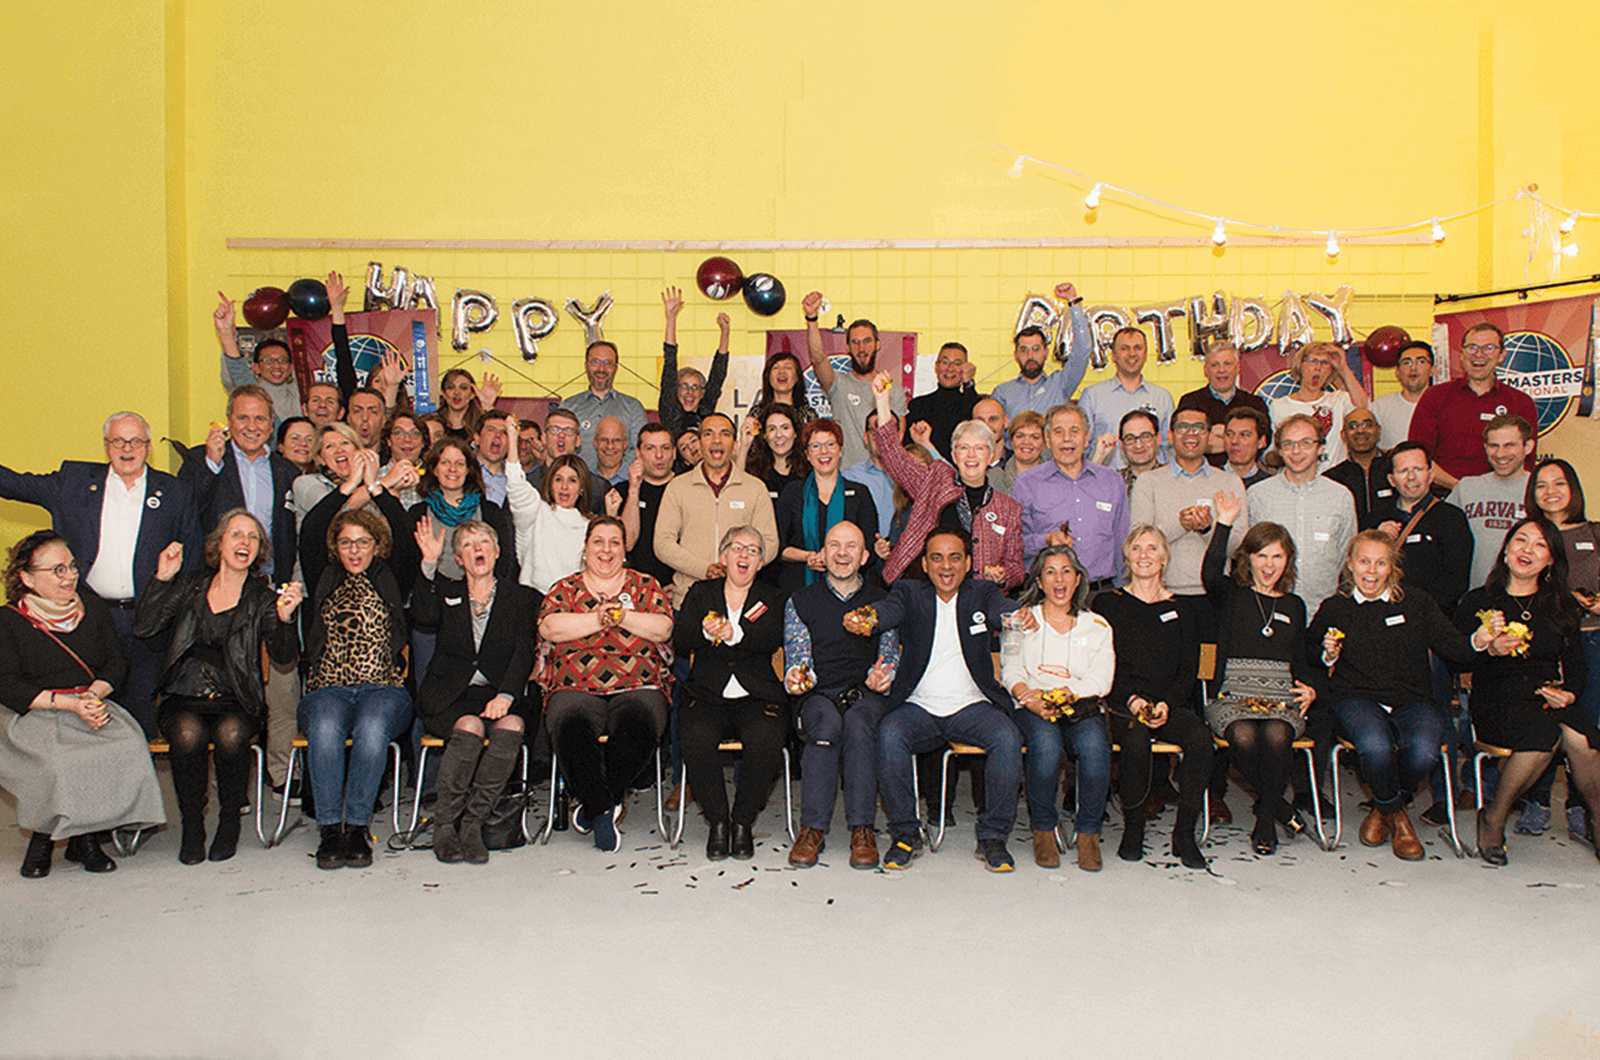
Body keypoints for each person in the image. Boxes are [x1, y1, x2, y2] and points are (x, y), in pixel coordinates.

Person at [0, 411, 203, 736]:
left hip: (147, 623)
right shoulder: (74, 481)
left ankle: (137, 785)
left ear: (148, 446)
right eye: (118, 440)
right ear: (106, 446)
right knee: (88, 720)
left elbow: (192, 562)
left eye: (135, 440)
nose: (127, 448)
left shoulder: (175, 492)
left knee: (140, 722)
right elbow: (14, 484)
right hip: (86, 619)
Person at [1310, 531, 1500, 860]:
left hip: (1411, 699)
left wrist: (1479, 640)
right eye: (1364, 561)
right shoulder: (1334, 608)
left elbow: (1454, 648)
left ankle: (1382, 810)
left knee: (1426, 750)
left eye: (1380, 563)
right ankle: (1400, 819)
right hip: (1355, 697)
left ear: (1393, 567)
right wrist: (1327, 655)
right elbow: (1309, 654)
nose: (1371, 571)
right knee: (1375, 747)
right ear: (1350, 564)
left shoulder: (1417, 602)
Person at [852, 528, 1029, 872]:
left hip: (972, 706)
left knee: (1008, 737)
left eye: (954, 558)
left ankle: (993, 836)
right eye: (936, 558)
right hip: (919, 705)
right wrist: (868, 619)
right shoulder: (908, 591)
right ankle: (905, 834)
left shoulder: (983, 591)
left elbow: (1001, 609)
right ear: (924, 563)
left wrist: (1013, 616)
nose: (945, 566)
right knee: (889, 734)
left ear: (967, 563)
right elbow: (887, 611)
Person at [134, 511, 303, 864]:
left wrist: (287, 619)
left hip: (236, 697)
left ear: (259, 550)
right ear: (219, 543)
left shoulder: (263, 598)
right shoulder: (190, 584)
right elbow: (146, 627)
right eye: (236, 534)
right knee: (187, 735)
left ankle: (229, 821)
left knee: (230, 735)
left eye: (252, 537)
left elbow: (284, 657)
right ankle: (193, 825)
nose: (244, 542)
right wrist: (162, 578)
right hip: (185, 692)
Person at [0, 531, 165, 878]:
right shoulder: (8, 620)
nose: (70, 575)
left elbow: (116, 664)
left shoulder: (93, 608)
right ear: (27, 578)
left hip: (90, 701)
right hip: (37, 710)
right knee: (59, 760)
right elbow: (8, 684)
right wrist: (68, 704)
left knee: (126, 745)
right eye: (57, 570)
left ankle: (85, 838)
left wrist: (94, 694)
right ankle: (47, 840)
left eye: (72, 566)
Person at [1457, 517, 1600, 865]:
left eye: (1540, 545)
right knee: (1544, 733)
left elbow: (1577, 666)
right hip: (1496, 697)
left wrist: (1569, 694)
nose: (1528, 550)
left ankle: (1597, 819)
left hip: (1546, 694)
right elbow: (1454, 655)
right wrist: (1487, 649)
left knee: (1584, 736)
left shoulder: (1560, 603)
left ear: (1550, 560)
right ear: (1506, 549)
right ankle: (1494, 815)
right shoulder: (1478, 601)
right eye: (1521, 540)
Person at [538, 517, 674, 852]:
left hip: (637, 685)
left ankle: (592, 806)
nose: (606, 549)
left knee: (638, 725)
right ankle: (602, 809)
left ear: (625, 550)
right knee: (571, 726)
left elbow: (663, 628)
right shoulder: (565, 589)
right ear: (585, 549)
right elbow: (550, 628)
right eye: (598, 541)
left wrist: (622, 616)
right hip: (575, 686)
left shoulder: (645, 585)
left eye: (615, 542)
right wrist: (597, 618)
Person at [410, 516, 536, 865]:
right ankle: (445, 826)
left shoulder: (523, 598)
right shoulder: (446, 591)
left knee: (511, 725)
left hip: (500, 691)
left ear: (497, 552)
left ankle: (472, 825)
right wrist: (429, 564)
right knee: (470, 726)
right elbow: (421, 616)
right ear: (459, 558)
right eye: (467, 544)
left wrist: (507, 696)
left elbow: (524, 652)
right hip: (450, 694)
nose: (476, 548)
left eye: (483, 542)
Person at [1202, 495, 1322, 854]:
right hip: (1233, 693)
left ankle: (1266, 818)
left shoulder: (1294, 605)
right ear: (1248, 558)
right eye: (1261, 555)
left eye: (1277, 556)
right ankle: (1278, 808)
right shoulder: (1233, 596)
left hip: (1281, 695)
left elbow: (1299, 657)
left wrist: (1311, 689)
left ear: (1288, 561)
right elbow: (1209, 572)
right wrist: (1223, 523)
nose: (1269, 565)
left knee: (1277, 734)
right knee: (1242, 737)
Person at [296, 509, 414, 870]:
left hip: (382, 687)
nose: (354, 550)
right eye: (346, 542)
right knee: (327, 727)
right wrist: (350, 486)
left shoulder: (391, 576)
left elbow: (406, 540)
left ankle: (358, 827)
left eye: (363, 542)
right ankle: (331, 828)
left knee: (371, 728)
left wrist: (381, 491)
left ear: (377, 546)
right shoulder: (324, 576)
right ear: (335, 547)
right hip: (327, 688)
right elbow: (313, 525)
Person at [1095, 526, 1213, 869]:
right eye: (1137, 549)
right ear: (1126, 557)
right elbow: (1103, 663)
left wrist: (1166, 704)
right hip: (1123, 701)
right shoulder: (1107, 603)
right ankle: (1134, 829)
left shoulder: (1184, 609)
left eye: (1152, 549)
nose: (1144, 555)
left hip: (1168, 702)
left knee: (1200, 739)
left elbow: (1188, 668)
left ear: (1164, 558)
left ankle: (1185, 834)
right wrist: (1132, 700)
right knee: (1135, 741)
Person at [785, 520, 900, 869]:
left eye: (851, 546)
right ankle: (813, 828)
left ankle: (862, 829)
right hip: (819, 692)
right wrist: (798, 677)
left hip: (866, 692)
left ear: (865, 556)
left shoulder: (883, 601)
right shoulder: (801, 601)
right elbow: (799, 656)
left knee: (860, 724)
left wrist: (885, 675)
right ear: (822, 554)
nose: (842, 553)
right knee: (824, 722)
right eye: (834, 545)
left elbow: (889, 654)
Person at [673, 528, 788, 860]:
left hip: (757, 693)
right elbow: (681, 640)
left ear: (761, 562)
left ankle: (742, 822)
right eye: (737, 548)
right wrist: (703, 631)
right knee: (694, 738)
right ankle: (718, 822)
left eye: (752, 550)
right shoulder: (701, 592)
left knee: (766, 739)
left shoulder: (772, 597)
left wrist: (734, 633)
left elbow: (770, 638)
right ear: (723, 557)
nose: (744, 555)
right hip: (707, 691)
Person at [1001, 544, 1114, 870]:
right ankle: (1043, 829)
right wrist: (1030, 698)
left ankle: (1089, 833)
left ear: (1078, 579)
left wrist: (1067, 693)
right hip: (1033, 705)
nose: (1059, 579)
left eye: (1066, 571)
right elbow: (1011, 670)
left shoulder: (1097, 626)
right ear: (1039, 579)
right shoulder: (1022, 620)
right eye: (1050, 572)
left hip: (1079, 705)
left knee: (1095, 747)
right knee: (1046, 746)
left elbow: (1101, 679)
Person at [871, 374, 1025, 590]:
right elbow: (894, 457)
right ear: (954, 455)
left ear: (991, 456)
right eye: (964, 448)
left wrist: (1003, 576)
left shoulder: (1008, 509)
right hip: (926, 593)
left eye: (979, 448)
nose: (971, 455)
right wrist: (882, 401)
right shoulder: (934, 482)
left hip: (978, 601)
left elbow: (1017, 568)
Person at [1515, 458, 1600, 838]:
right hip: (1546, 642)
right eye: (1540, 485)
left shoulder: (1595, 532)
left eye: (1559, 483)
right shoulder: (1531, 535)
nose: (1549, 492)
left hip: (1592, 639)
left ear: (1574, 488)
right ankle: (1538, 801)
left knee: (1585, 726)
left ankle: (1580, 805)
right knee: (1547, 721)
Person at [653, 414, 779, 608]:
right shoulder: (678, 487)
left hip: (741, 600)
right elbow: (662, 543)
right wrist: (705, 569)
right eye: (708, 434)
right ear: (701, 444)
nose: (716, 440)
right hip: (688, 599)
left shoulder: (755, 488)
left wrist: (737, 569)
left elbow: (769, 543)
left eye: (725, 434)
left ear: (735, 445)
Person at [1130, 406, 1248, 599]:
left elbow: (1240, 549)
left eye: (1199, 428)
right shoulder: (1148, 481)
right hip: (1161, 593)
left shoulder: (1230, 482)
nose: (1191, 434)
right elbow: (1136, 542)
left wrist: (1208, 530)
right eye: (1183, 427)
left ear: (1209, 436)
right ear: (1171, 435)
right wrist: (1181, 525)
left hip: (1216, 595)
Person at [1246, 414, 1358, 613]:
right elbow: (1248, 555)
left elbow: (1346, 554)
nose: (1296, 451)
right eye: (1288, 444)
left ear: (1320, 448)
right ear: (1279, 450)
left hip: (1322, 610)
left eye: (1306, 443)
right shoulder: (1257, 495)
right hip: (1269, 611)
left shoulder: (1341, 496)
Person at [1409, 322, 1539, 489]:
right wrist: (1461, 489)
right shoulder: (1435, 396)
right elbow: (1418, 455)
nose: (1479, 354)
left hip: (1500, 496)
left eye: (1489, 348)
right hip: (1443, 495)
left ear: (1502, 355)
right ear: (1462, 354)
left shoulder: (1520, 402)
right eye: (1472, 347)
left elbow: (1526, 461)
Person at [1014, 402, 1130, 587]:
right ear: (1048, 439)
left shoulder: (1112, 481)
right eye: (1058, 431)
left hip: (1100, 592)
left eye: (1075, 431)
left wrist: (1122, 592)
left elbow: (1122, 541)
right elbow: (1015, 544)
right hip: (1048, 594)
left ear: (1087, 438)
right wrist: (1046, 540)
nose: (1067, 438)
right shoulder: (1027, 483)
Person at [774, 420, 881, 594]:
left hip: (850, 590)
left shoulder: (859, 493)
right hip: (798, 586)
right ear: (807, 454)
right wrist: (808, 556)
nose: (824, 451)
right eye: (815, 446)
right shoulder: (792, 492)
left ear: (840, 451)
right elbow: (777, 547)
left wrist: (838, 558)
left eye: (830, 444)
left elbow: (869, 549)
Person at [803, 292, 904, 468]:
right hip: (846, 478)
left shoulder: (893, 390)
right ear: (847, 347)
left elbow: (898, 438)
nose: (861, 347)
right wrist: (811, 318)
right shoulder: (838, 384)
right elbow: (818, 358)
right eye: (855, 342)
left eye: (867, 341)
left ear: (878, 344)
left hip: (884, 479)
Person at [1450, 414, 1534, 589]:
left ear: (1528, 447)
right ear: (1485, 448)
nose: (1500, 454)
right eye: (1494, 446)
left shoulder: (1540, 491)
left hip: (1525, 600)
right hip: (1472, 597)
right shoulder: (1466, 487)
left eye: (1509, 445)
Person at [506, 449, 604, 598]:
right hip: (531, 602)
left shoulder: (591, 525)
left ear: (582, 487)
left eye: (572, 480)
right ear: (550, 483)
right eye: (558, 479)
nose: (564, 486)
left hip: (571, 606)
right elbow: (516, 485)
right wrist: (512, 437)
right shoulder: (536, 511)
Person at [1079, 327, 1176, 471]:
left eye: (1138, 348)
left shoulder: (1162, 397)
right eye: (1125, 348)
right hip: (1106, 484)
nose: (1132, 354)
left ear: (1145, 353)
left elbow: (1170, 449)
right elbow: (1081, 447)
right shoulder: (1092, 396)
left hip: (1152, 484)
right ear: (1114, 355)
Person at [990, 283, 1093, 419]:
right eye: (1024, 350)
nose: (1030, 356)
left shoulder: (1061, 384)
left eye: (1036, 349)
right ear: (1015, 355)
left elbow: (1083, 350)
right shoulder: (1002, 393)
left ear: (1046, 352)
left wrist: (1073, 302)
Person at [1267, 342, 1368, 469]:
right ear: (1300, 366)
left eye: (1325, 363)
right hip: (1295, 480)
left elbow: (1363, 408)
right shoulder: (1279, 406)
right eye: (1312, 361)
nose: (1318, 367)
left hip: (1332, 480)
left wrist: (1343, 368)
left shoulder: (1338, 400)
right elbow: (1271, 452)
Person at [1175, 340, 1269, 465]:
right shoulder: (1190, 401)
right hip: (1201, 477)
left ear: (1237, 368)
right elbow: (1184, 443)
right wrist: (1241, 443)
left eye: (1227, 364)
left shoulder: (1255, 404)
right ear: (1205, 370)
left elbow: (1263, 442)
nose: (1221, 370)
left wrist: (1215, 440)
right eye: (1215, 365)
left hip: (1243, 477)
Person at [559, 340, 647, 471]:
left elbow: (640, 450)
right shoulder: (569, 406)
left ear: (616, 368)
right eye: (595, 362)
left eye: (608, 363)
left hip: (622, 486)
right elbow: (561, 451)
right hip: (577, 486)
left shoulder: (633, 407)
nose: (601, 369)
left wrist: (615, 479)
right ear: (586, 365)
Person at [215, 292, 301, 422]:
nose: (276, 365)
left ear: (290, 367)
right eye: (268, 360)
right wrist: (226, 333)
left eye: (282, 360)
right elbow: (236, 370)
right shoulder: (247, 391)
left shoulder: (301, 395)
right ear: (256, 367)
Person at [659, 286, 730, 437]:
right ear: (676, 389)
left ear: (703, 393)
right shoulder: (670, 409)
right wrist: (671, 317)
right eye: (684, 386)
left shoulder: (705, 411)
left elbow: (718, 375)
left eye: (695, 387)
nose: (689, 392)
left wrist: (725, 333)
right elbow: (670, 361)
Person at [617, 422, 680, 591]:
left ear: (674, 453)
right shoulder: (622, 492)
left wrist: (682, 585)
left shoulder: (688, 488)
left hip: (678, 590)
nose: (659, 455)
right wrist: (634, 489)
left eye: (665, 448)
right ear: (638, 453)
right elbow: (627, 543)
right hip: (633, 590)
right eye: (650, 448)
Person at [906, 342, 980, 460]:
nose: (950, 369)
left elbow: (970, 417)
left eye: (957, 364)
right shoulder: (918, 405)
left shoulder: (971, 402)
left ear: (966, 369)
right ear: (936, 366)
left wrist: (968, 383)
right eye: (945, 362)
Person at [1323, 408, 1392, 526]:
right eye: (1353, 426)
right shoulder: (1331, 479)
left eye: (1367, 425)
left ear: (1378, 431)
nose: (1360, 430)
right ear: (1343, 435)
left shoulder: (1396, 468)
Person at [841, 407, 898, 543]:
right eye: (874, 432)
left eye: (888, 431)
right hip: (865, 557)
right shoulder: (849, 477)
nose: (881, 437)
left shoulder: (913, 475)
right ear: (866, 437)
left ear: (899, 436)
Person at [541, 407, 609, 513]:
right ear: (543, 438)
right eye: (555, 430)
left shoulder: (598, 488)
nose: (561, 435)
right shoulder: (528, 484)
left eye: (568, 431)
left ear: (578, 440)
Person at [1371, 340, 1436, 450]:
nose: (1414, 368)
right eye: (1407, 362)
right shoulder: (1380, 406)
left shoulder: (1445, 405)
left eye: (1421, 361)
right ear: (1397, 372)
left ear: (1432, 370)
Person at [1095, 409, 1164, 491]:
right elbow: (1083, 496)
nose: (1138, 445)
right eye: (1130, 438)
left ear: (1158, 438)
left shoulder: (1175, 480)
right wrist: (1098, 457)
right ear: (1122, 445)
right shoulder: (1112, 482)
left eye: (1145, 436)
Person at [746, 351, 816, 430]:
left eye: (788, 367)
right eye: (776, 367)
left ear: (797, 377)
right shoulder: (758, 413)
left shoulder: (807, 414)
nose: (782, 371)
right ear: (768, 377)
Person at [989, 410, 1047, 496]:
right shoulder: (992, 478)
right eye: (1020, 436)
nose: (1026, 442)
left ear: (1044, 444)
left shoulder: (1058, 480)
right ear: (1011, 441)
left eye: (1035, 437)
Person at [437, 367, 499, 440]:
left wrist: (487, 406)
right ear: (444, 394)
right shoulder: (434, 423)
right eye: (451, 387)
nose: (457, 392)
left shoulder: (481, 424)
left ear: (472, 394)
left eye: (463, 388)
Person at [1222, 406, 1273, 487]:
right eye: (1229, 434)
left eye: (1244, 435)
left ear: (1261, 442)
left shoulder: (1270, 485)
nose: (1234, 441)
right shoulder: (1208, 480)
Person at [473, 410, 514, 505]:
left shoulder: (515, 478)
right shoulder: (463, 470)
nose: (498, 435)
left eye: (504, 432)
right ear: (477, 439)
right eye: (491, 430)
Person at [591, 417, 629, 488]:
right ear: (595, 443)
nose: (610, 446)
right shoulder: (584, 478)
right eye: (604, 439)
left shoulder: (635, 480)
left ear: (625, 444)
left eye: (616, 440)